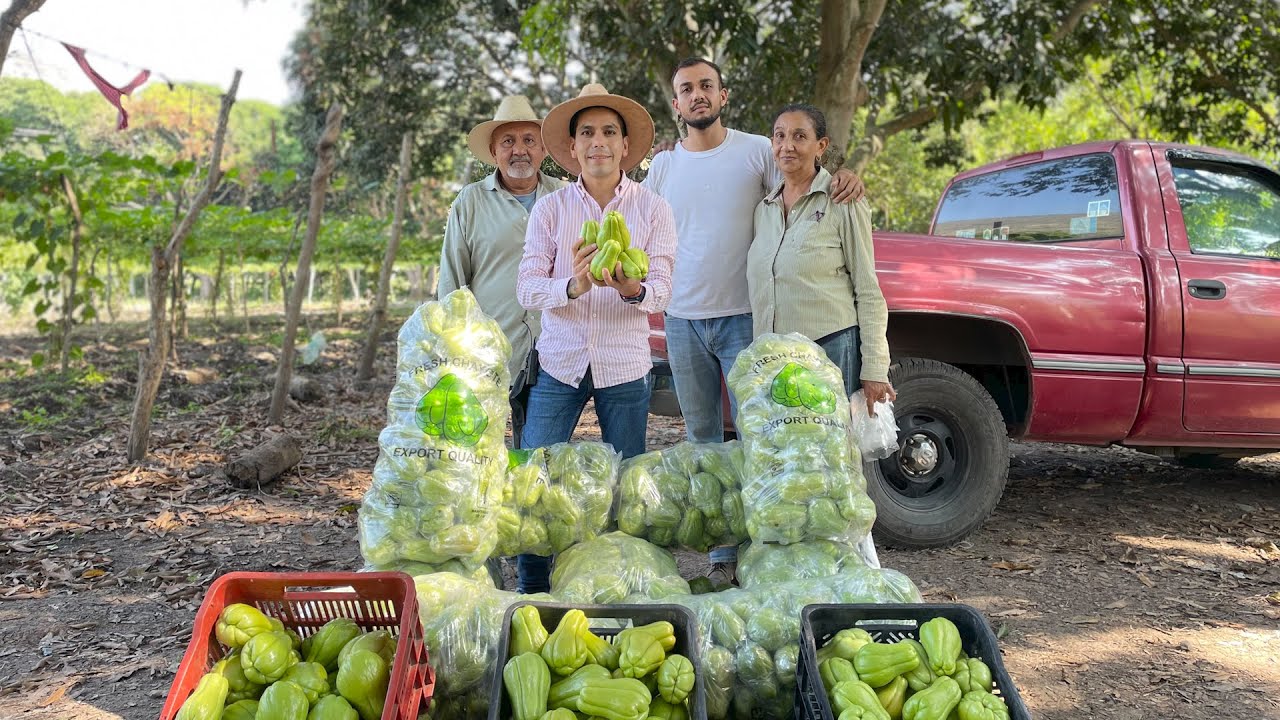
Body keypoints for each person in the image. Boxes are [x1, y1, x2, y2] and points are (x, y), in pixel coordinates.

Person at [643, 57, 865, 584]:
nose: (697, 96)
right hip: (683, 320)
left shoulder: (755, 151)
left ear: (722, 96)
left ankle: (767, 542)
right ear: (675, 104)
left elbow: (801, 183)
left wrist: (845, 177)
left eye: (706, 87)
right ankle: (723, 555)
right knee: (701, 438)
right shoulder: (663, 168)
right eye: (686, 89)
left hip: (746, 319)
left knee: (761, 433)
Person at [514, 84, 677, 593]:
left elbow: (664, 289)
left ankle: (620, 584)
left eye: (609, 132)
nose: (599, 142)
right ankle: (533, 586)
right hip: (559, 362)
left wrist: (632, 288)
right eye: (588, 133)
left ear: (625, 146)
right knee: (534, 479)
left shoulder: (652, 209)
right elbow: (527, 286)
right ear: (573, 147)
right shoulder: (551, 210)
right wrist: (575, 283)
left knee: (625, 484)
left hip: (625, 364)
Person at [748, 103, 895, 413]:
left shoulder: (842, 199)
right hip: (775, 356)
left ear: (821, 146)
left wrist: (875, 368)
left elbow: (868, 289)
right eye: (780, 136)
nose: (787, 146)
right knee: (789, 454)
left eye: (800, 136)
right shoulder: (765, 208)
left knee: (832, 453)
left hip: (829, 349)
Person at [438, 95, 564, 448]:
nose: (519, 150)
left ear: (543, 150)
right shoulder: (470, 201)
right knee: (479, 450)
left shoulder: (566, 196)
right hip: (488, 351)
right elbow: (451, 281)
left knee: (537, 455)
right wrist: (452, 349)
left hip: (552, 351)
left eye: (528, 141)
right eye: (508, 141)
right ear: (494, 152)